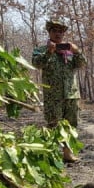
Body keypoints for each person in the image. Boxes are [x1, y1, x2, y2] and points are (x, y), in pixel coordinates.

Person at [32, 18, 87, 163]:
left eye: (60, 31)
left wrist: (77, 51)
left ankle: (67, 153)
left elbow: (82, 64)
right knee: (53, 125)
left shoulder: (68, 50)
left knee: (71, 125)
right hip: (53, 96)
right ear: (49, 32)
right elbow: (37, 64)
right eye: (54, 31)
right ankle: (51, 155)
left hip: (71, 94)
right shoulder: (41, 50)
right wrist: (49, 52)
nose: (58, 34)